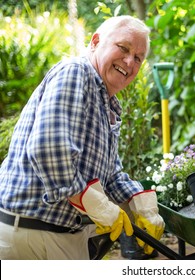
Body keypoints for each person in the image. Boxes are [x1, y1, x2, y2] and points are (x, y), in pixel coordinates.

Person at [0, 15, 164, 260]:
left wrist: (139, 202)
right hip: (35, 234)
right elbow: (48, 148)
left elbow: (110, 172)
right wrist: (94, 203)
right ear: (96, 42)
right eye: (123, 48)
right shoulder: (77, 72)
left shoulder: (106, 101)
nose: (130, 61)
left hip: (56, 234)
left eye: (138, 58)